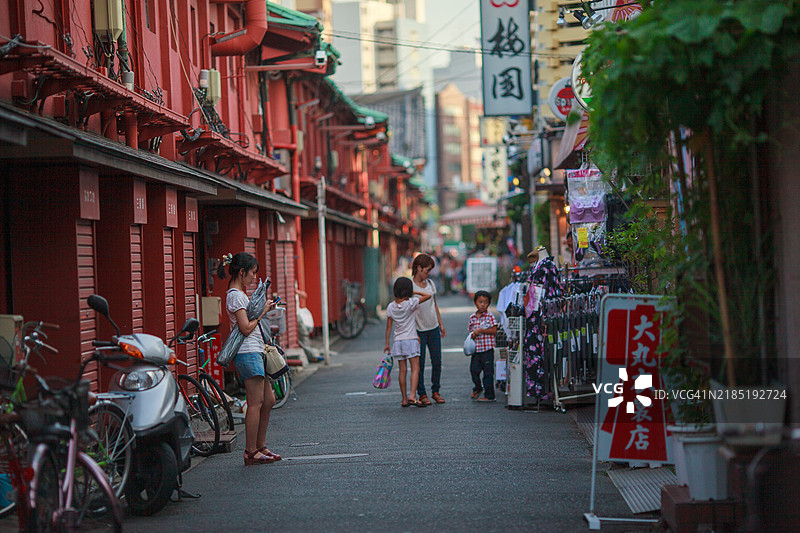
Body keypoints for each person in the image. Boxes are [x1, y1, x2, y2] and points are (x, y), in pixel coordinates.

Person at [218, 252, 280, 466]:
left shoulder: (240, 294)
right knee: (255, 403)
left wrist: (264, 310)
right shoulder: (235, 295)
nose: (254, 277)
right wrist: (262, 312)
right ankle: (250, 451)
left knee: (268, 400)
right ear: (242, 272)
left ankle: (260, 446)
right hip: (247, 352)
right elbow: (245, 328)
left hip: (255, 350)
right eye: (252, 273)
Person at [384, 277, 432, 407]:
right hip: (411, 339)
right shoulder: (411, 303)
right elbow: (428, 296)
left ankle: (404, 398)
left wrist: (387, 344)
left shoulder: (390, 307)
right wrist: (416, 293)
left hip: (398, 341)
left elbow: (389, 327)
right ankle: (412, 395)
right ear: (409, 290)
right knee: (415, 369)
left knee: (402, 370)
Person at [411, 253, 447, 406]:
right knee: (419, 364)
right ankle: (422, 393)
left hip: (433, 327)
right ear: (418, 268)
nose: (428, 273)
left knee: (437, 361)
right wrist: (412, 332)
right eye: (427, 270)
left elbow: (434, 304)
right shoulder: (410, 286)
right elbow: (408, 310)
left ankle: (436, 391)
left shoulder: (431, 284)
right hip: (418, 329)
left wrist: (440, 323)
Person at [468, 290, 499, 402]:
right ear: (475, 302)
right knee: (473, 370)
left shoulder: (489, 316)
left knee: (488, 373)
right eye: (480, 302)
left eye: (485, 302)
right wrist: (473, 336)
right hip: (476, 350)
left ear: (489, 304)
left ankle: (489, 395)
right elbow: (471, 332)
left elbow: (494, 330)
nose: (482, 304)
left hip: (487, 349)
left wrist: (481, 330)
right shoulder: (472, 318)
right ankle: (478, 387)